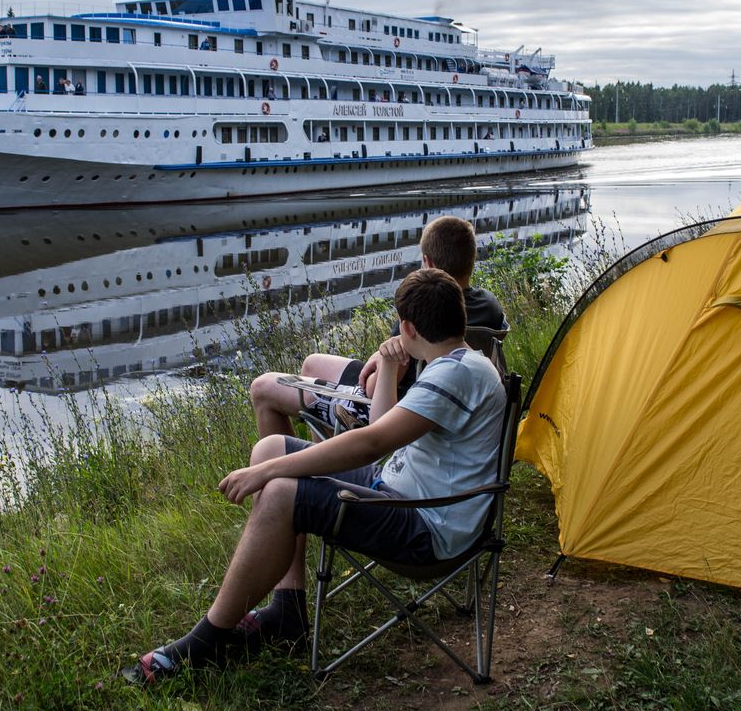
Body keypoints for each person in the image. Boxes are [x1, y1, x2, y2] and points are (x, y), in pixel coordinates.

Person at [122, 268, 506, 684]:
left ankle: (204, 642)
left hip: (427, 528)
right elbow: (382, 427)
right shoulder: (457, 362)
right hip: (402, 491)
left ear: (409, 327)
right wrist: (393, 364)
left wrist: (266, 473)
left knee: (281, 489)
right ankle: (288, 610)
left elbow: (370, 443)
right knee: (270, 447)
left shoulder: (453, 376)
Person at [248, 215, 505, 439]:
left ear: (428, 262)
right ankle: (331, 461)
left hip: (394, 406)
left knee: (264, 388)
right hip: (443, 398)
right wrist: (378, 356)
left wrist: (381, 359)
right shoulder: (490, 306)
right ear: (471, 259)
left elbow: (374, 388)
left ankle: (303, 472)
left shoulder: (424, 307)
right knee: (313, 363)